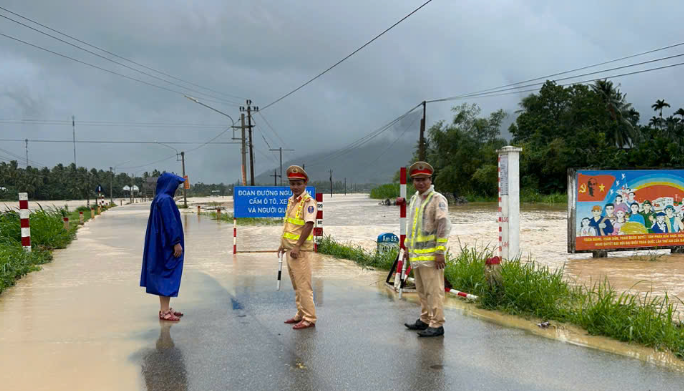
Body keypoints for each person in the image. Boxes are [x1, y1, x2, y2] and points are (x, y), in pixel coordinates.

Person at [403, 161, 452, 338]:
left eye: (424, 179)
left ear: (430, 180)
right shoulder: (415, 198)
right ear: (413, 182)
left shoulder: (437, 199)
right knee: (422, 290)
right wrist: (408, 247)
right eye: (417, 180)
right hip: (417, 255)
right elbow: (412, 226)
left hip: (432, 256)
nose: (421, 183)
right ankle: (425, 319)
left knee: (434, 291)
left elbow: (443, 225)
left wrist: (440, 252)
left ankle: (437, 323)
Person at [140, 172, 186, 322]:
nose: (176, 188)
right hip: (167, 244)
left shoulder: (158, 199)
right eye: (175, 185)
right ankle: (165, 311)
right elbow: (170, 223)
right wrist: (176, 243)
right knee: (168, 274)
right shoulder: (166, 200)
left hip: (159, 243)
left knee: (163, 274)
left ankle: (164, 309)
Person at [278, 165, 317, 330]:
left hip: (299, 252)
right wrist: (282, 245)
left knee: (303, 286)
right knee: (296, 285)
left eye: (298, 183)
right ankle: (300, 314)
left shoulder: (309, 202)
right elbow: (289, 226)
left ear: (305, 183)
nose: (295, 187)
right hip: (290, 250)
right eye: (292, 183)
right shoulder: (291, 201)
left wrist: (297, 246)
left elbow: (308, 225)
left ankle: (309, 318)